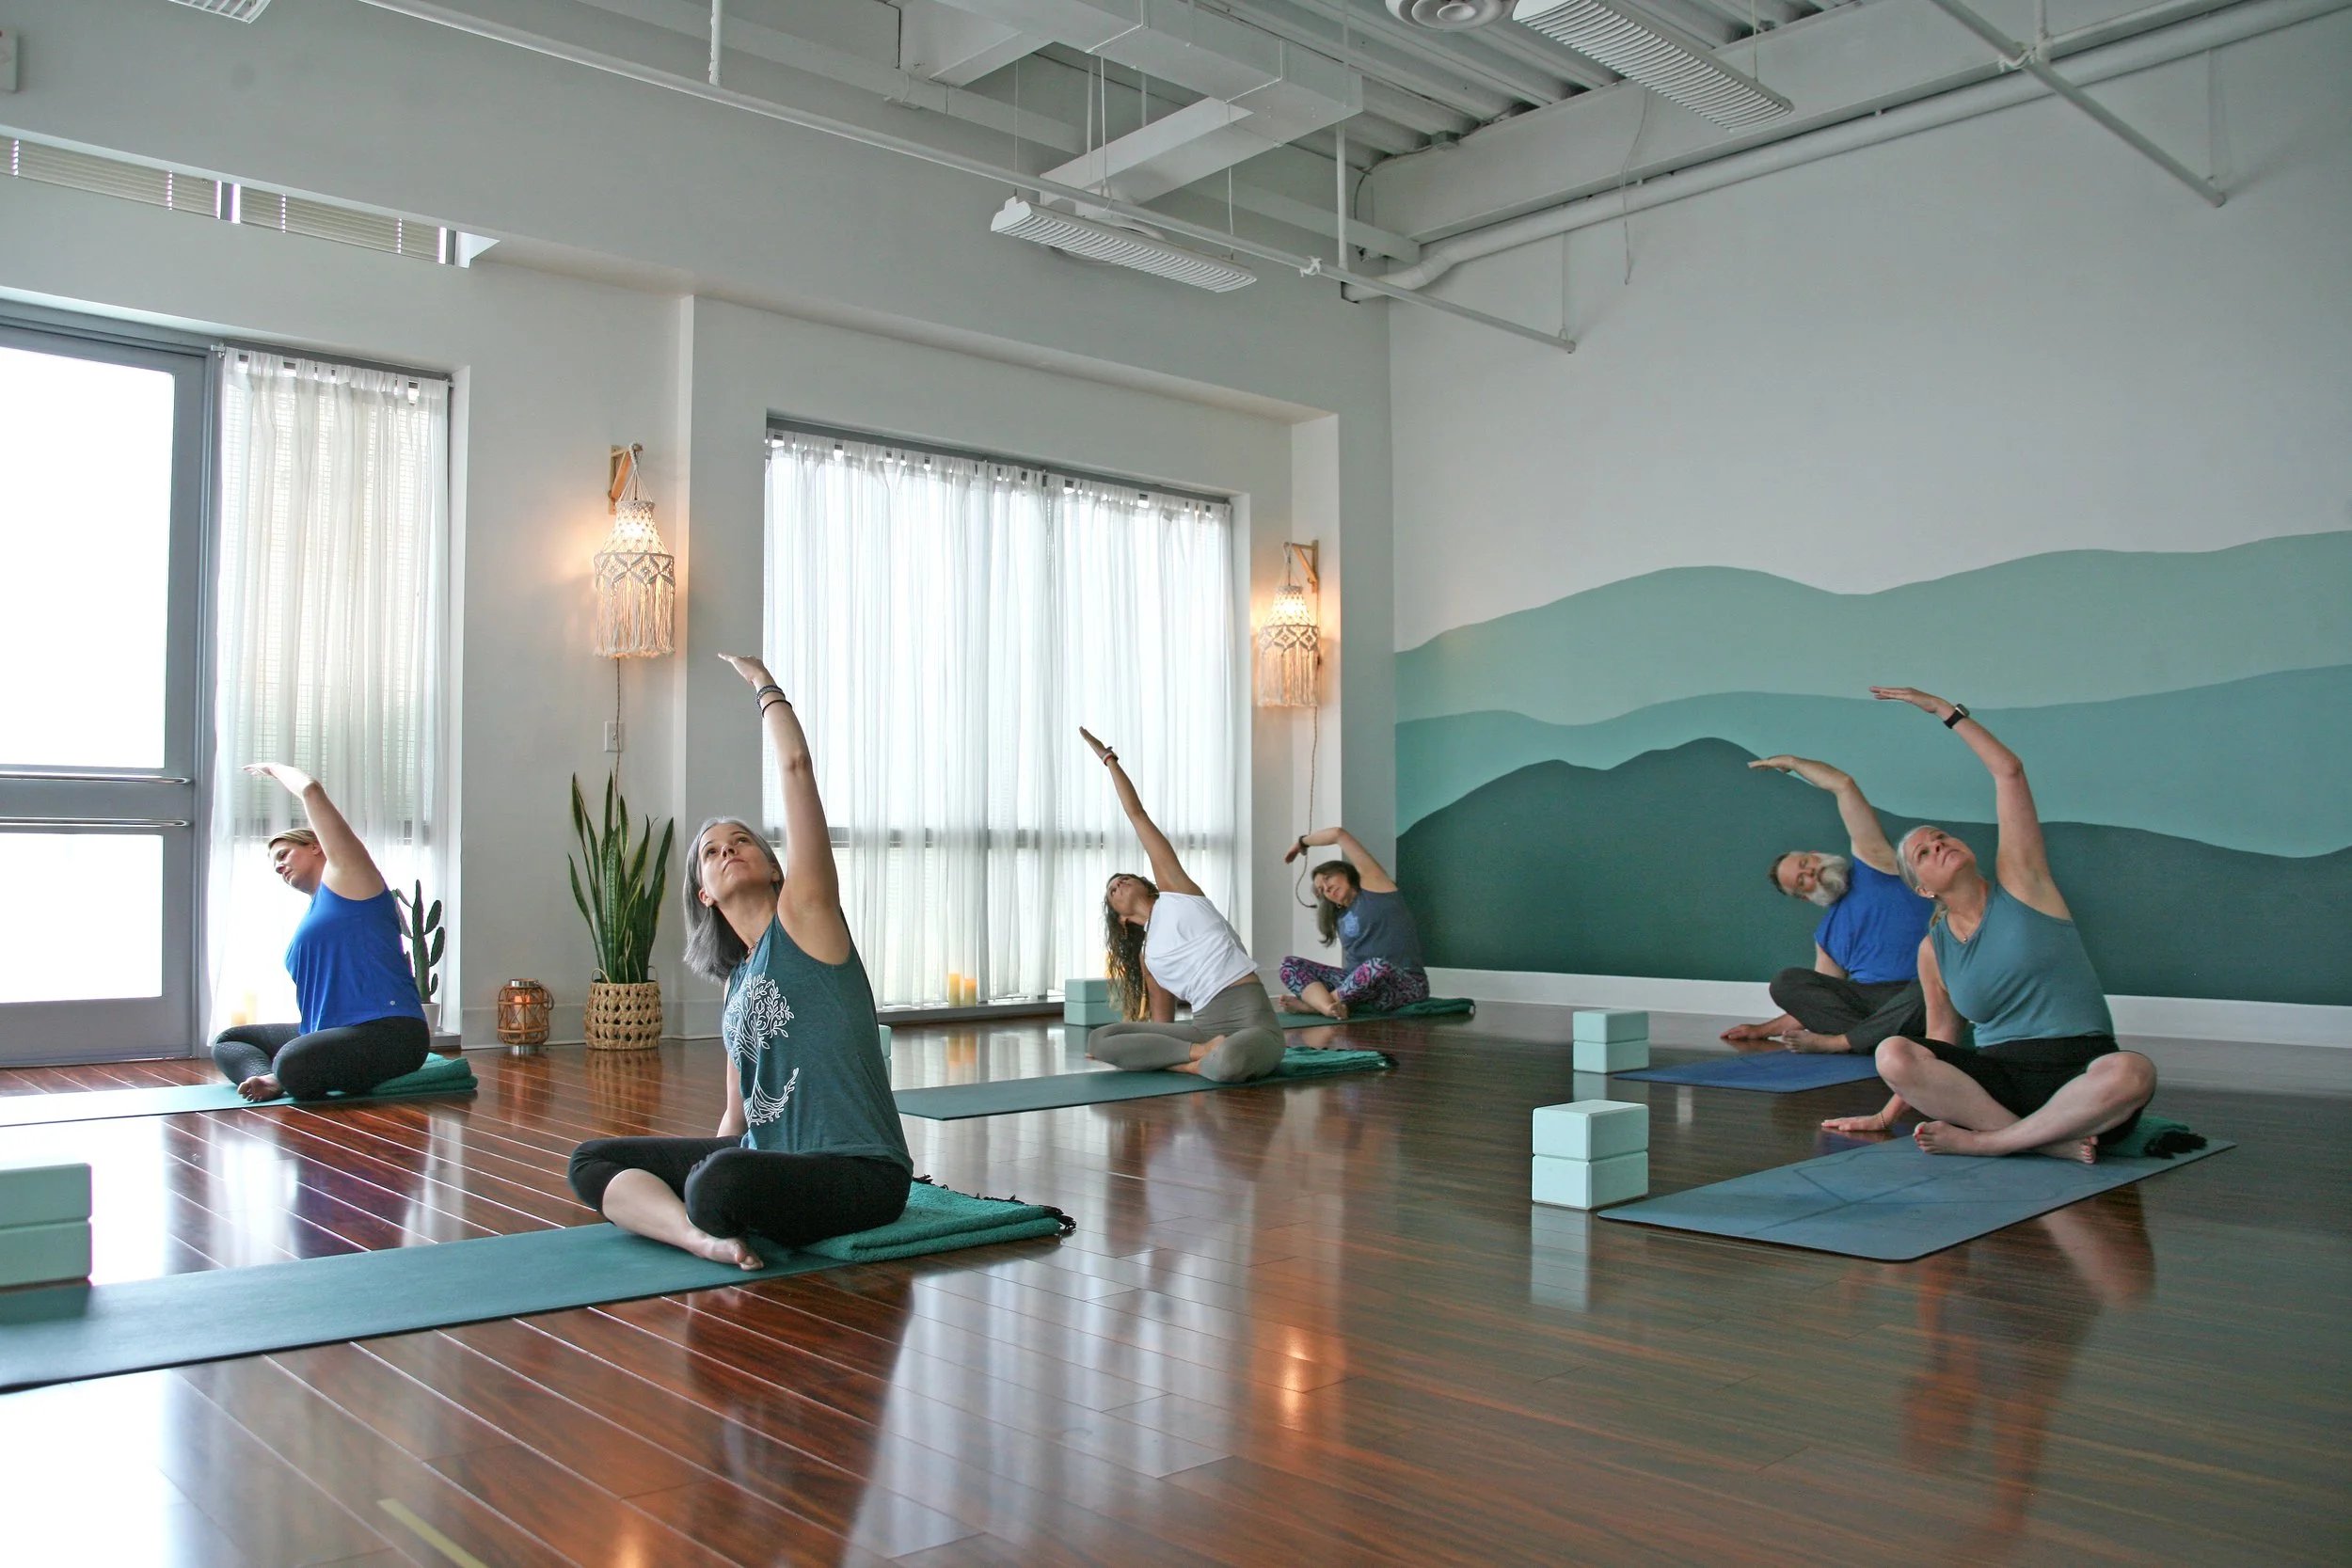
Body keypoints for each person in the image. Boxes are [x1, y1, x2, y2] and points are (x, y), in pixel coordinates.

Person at [566, 655, 910, 1269]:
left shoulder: (807, 921)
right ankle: (701, 1238)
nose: (727, 851)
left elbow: (796, 767)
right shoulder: (736, 985)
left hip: (861, 1172)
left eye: (741, 841)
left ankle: (702, 1211)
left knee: (717, 1183)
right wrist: (715, 1159)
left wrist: (764, 686)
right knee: (592, 1159)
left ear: (776, 868)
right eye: (711, 852)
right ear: (704, 893)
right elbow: (738, 1111)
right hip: (767, 1154)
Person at [1821, 688, 2155, 1163]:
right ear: (1922, 888)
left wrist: (1945, 712)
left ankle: (1995, 1142)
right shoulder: (1933, 949)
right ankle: (2044, 1140)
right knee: (1893, 1052)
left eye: (1940, 837)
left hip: (2081, 1076)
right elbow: (1940, 1038)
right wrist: (1886, 1114)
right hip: (1997, 1087)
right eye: (1924, 852)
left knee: (2133, 1072)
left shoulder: (2024, 887)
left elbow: (2009, 772)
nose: (1939, 845)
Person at [210, 764, 430, 1101]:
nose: (279, 866)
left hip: (389, 1032)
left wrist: (273, 768)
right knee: (229, 1040)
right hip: (329, 1033)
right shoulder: (315, 912)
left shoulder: (352, 880)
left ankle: (281, 1076)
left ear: (315, 846)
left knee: (292, 1061)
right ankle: (266, 1079)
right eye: (275, 864)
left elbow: (311, 790)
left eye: (284, 854)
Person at [1078, 727, 1287, 1084]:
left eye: (1124, 879)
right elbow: (1162, 1025)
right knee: (1100, 1039)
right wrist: (1145, 1046)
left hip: (1252, 1022)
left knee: (1228, 1062)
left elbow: (1137, 814)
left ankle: (1192, 1062)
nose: (1118, 884)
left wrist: (1108, 759)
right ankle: (1197, 1057)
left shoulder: (1178, 893)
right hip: (1202, 1031)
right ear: (1122, 919)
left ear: (1145, 884)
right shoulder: (1149, 957)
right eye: (1112, 890)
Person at [1722, 755, 1931, 1054]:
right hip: (1871, 1004)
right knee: (1786, 983)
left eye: (1805, 863)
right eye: (1801, 881)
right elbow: (1814, 1004)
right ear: (1804, 897)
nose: (1810, 872)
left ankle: (1856, 1043)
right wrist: (1761, 1031)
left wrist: (1794, 763)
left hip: (1919, 992)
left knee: (1930, 988)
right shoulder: (1827, 936)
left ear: (1816, 854)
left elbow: (1844, 786)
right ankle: (1877, 1042)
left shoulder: (1876, 864)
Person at [1278, 826, 1428, 1020]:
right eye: (1321, 890)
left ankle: (1316, 1007)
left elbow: (1338, 834)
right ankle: (1329, 1007)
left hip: (1405, 984)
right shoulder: (1339, 915)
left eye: (1328, 878)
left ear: (1345, 873)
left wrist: (1301, 842)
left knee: (1375, 966)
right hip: (1357, 987)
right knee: (1290, 964)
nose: (1326, 888)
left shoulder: (1377, 889)